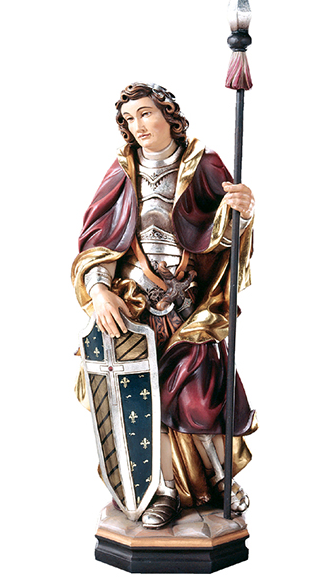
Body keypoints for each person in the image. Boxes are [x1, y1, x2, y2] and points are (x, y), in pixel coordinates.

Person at [72, 83, 257, 529]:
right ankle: (164, 491)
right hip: (134, 311)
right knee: (146, 401)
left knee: (198, 399)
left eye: (145, 114)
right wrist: (99, 290)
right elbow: (96, 242)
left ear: (169, 117)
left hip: (190, 309)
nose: (138, 126)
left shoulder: (204, 165)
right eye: (129, 119)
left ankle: (220, 480)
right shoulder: (122, 173)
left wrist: (242, 211)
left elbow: (225, 240)